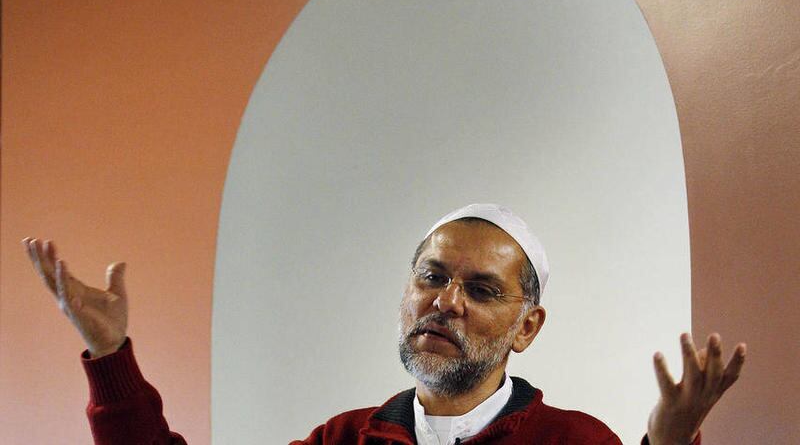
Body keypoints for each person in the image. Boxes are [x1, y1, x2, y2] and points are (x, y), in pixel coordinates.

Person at [23, 203, 746, 444]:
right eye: (432, 277)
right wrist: (110, 353)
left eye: (481, 289)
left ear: (526, 328)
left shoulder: (574, 441)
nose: (446, 302)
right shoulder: (343, 439)